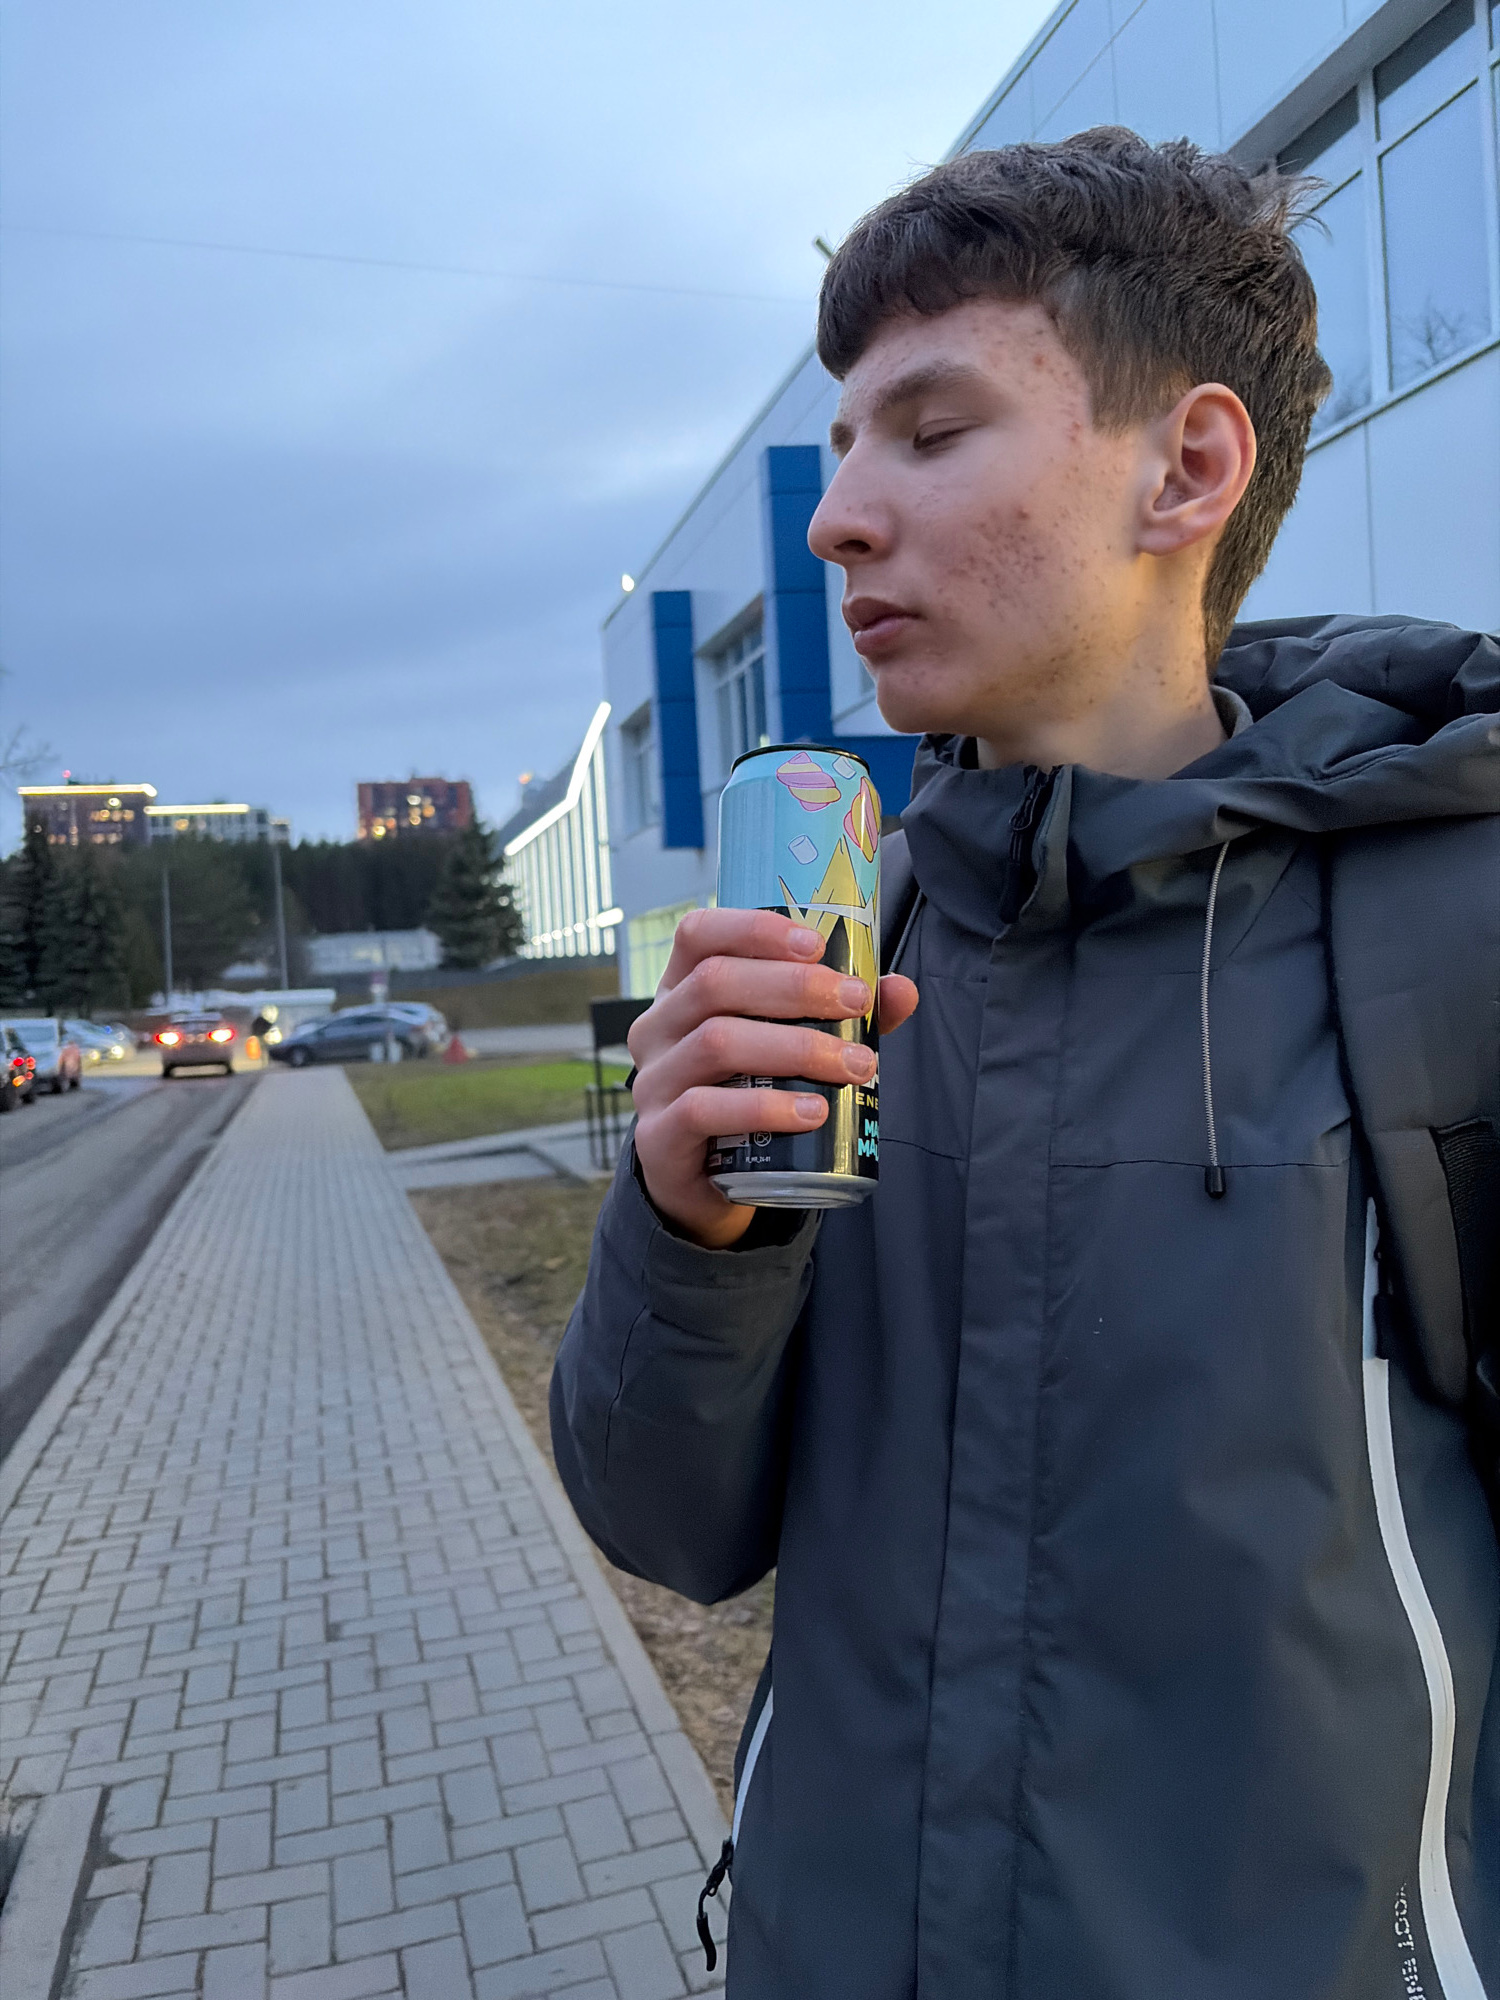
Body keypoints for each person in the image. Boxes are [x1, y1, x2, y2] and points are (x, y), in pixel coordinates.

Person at [551, 130, 1500, 1997]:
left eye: (930, 430)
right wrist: (689, 1231)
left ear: (1189, 467)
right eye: (842, 447)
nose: (838, 519)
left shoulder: (1453, 928)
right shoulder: (844, 950)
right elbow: (670, 1531)